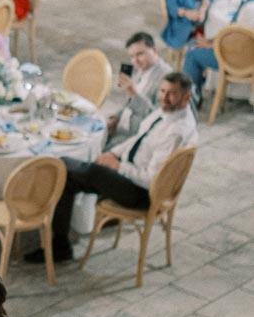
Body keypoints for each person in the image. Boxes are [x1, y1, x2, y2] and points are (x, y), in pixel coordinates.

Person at [25, 71, 198, 265]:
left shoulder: (176, 131)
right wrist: (113, 153)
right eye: (162, 91)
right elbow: (139, 138)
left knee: (64, 167)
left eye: (171, 93)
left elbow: (151, 180)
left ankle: (53, 237)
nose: (164, 98)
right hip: (132, 175)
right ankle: (60, 243)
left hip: (143, 193)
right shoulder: (168, 112)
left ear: (186, 97)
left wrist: (118, 166)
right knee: (67, 172)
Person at [183, 0, 254, 101]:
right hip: (242, 51)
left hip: (242, 61)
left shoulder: (249, 9)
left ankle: (191, 101)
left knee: (192, 51)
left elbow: (240, 42)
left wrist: (211, 44)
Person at [106, 32, 171, 145]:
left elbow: (158, 118)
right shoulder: (142, 70)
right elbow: (129, 104)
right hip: (121, 128)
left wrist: (134, 94)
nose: (135, 61)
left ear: (154, 50)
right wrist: (115, 118)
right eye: (131, 56)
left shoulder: (167, 78)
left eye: (140, 54)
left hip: (137, 138)